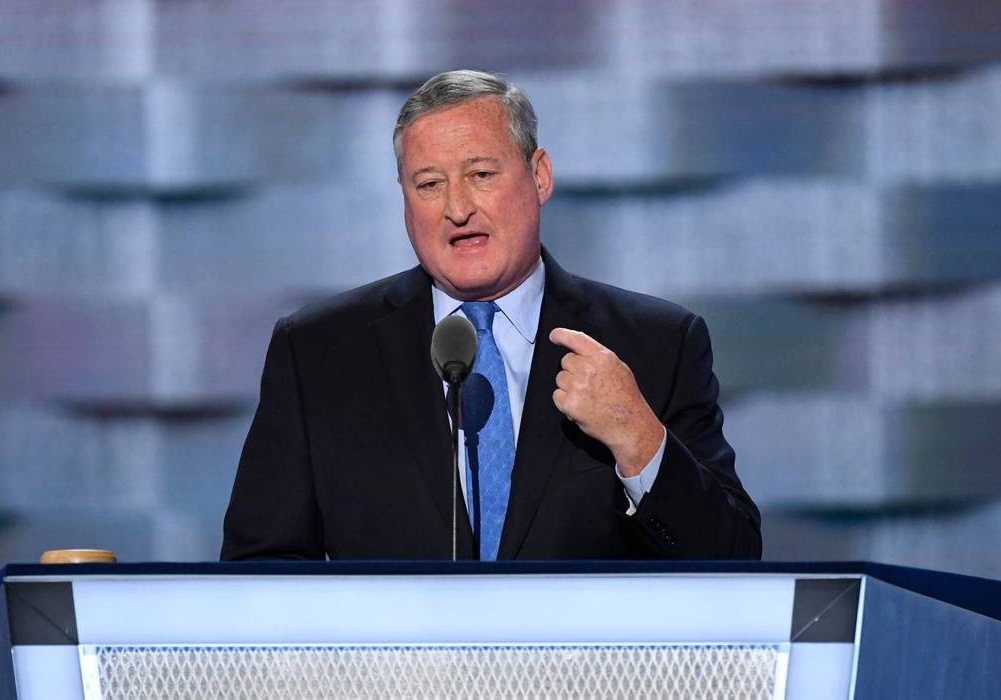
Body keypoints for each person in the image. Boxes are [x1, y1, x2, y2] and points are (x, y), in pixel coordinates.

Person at [221, 70, 760, 561]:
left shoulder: (658, 344)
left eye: (481, 173)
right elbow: (258, 577)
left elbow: (735, 561)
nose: (457, 208)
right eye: (429, 184)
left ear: (540, 176)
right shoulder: (318, 354)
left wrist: (638, 439)